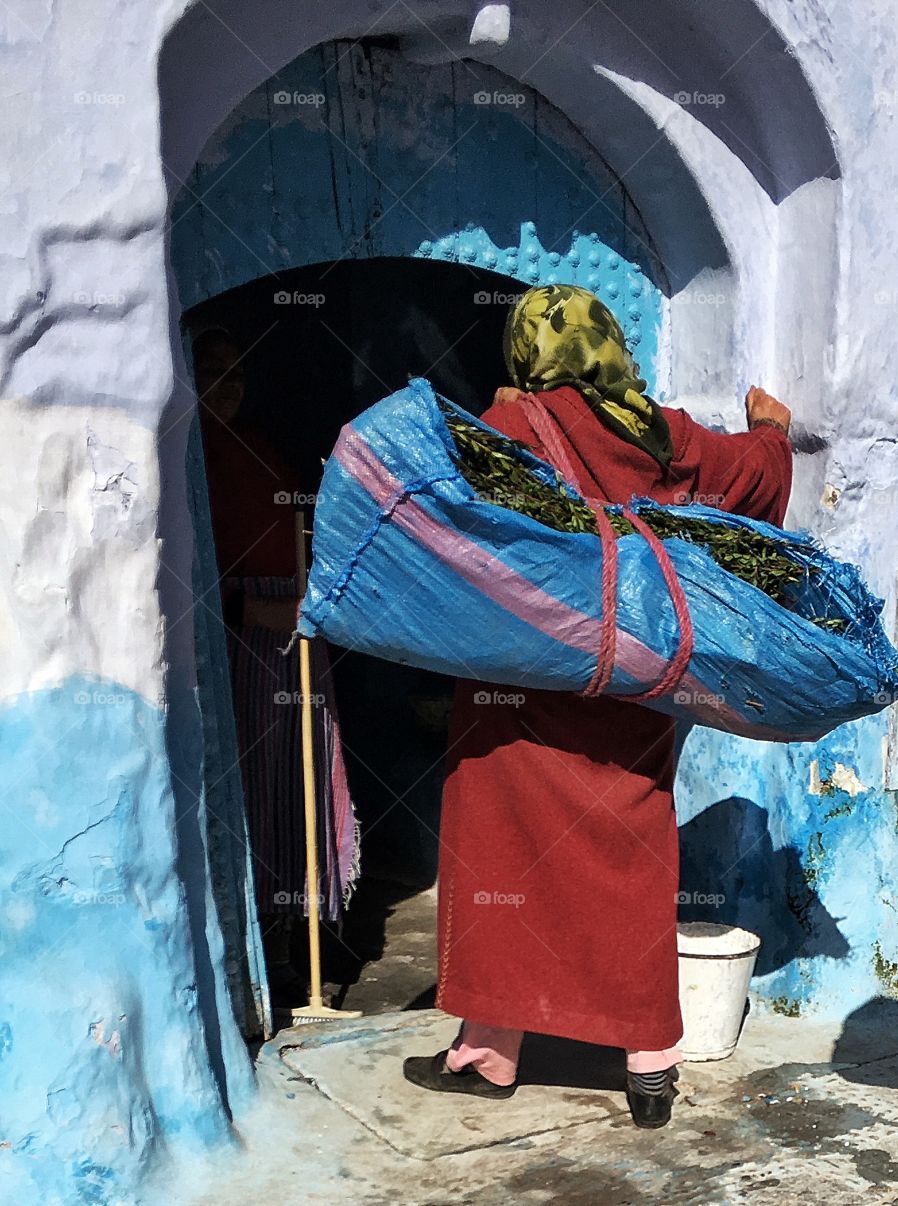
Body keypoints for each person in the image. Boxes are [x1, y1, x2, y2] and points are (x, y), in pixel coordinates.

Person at [403, 285, 792, 1127]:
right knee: (630, 856)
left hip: (524, 688)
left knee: (502, 851)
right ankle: (650, 1063)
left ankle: (489, 1052)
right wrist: (771, 428)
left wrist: (497, 411)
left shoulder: (511, 429)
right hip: (633, 686)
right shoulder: (664, 431)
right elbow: (753, 477)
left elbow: (425, 487)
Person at [193, 328, 358, 1003]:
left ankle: (288, 932)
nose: (227, 388)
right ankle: (250, 937)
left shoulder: (257, 453)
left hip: (289, 638)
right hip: (236, 644)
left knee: (296, 784)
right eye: (212, 371)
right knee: (250, 789)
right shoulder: (187, 461)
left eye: (236, 375)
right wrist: (242, 612)